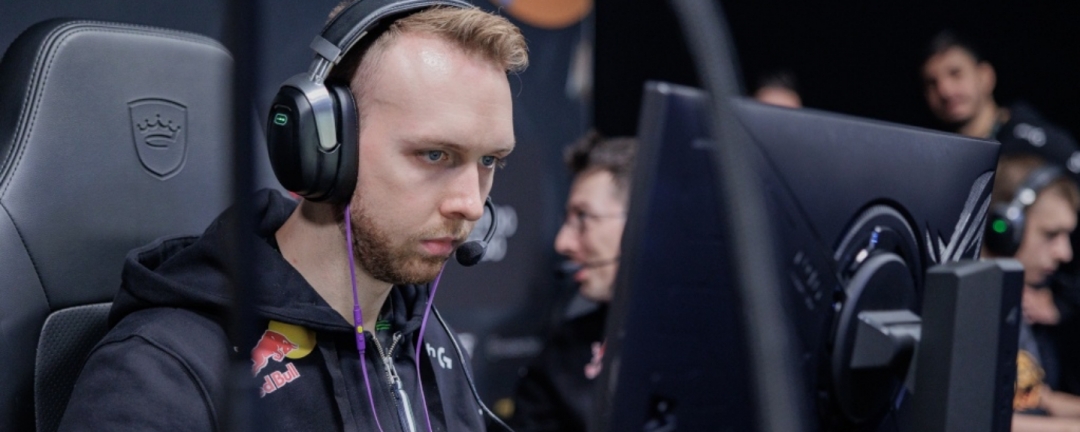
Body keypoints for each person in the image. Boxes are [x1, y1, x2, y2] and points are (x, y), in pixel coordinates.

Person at [58, 1, 527, 431]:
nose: (470, 203)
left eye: (489, 161)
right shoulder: (165, 373)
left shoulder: (423, 336)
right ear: (324, 146)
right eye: (434, 154)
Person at [922, 29, 1080, 394]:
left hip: (1047, 341)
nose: (945, 89)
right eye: (932, 82)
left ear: (985, 76)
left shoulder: (1039, 142)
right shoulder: (948, 156)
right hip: (983, 312)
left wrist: (1064, 302)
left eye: (955, 73)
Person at [509, 131, 635, 432]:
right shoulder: (565, 352)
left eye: (583, 217)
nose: (563, 243)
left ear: (643, 218)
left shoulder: (721, 343)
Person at [981, 154, 1080, 431]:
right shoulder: (970, 307)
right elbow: (973, 420)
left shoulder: (1014, 298)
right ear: (1005, 228)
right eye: (1051, 234)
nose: (1065, 253)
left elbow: (1038, 398)